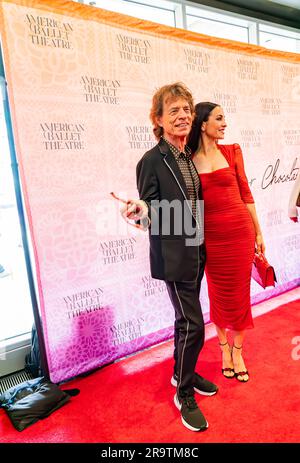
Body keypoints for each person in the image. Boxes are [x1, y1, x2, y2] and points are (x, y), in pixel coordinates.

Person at [121, 83, 218, 432]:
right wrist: (139, 210)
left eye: (187, 110)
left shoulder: (187, 156)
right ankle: (184, 393)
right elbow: (149, 206)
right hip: (173, 254)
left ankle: (181, 374)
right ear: (158, 119)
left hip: (196, 249)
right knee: (194, 325)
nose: (183, 116)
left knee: (184, 322)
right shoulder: (151, 160)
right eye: (174, 110)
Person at [188, 102, 265, 383]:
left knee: (241, 295)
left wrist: (258, 232)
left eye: (224, 119)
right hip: (211, 240)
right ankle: (223, 349)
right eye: (219, 119)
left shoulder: (232, 151)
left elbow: (246, 192)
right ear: (203, 124)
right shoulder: (187, 159)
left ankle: (238, 351)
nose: (224, 124)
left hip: (240, 234)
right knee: (217, 295)